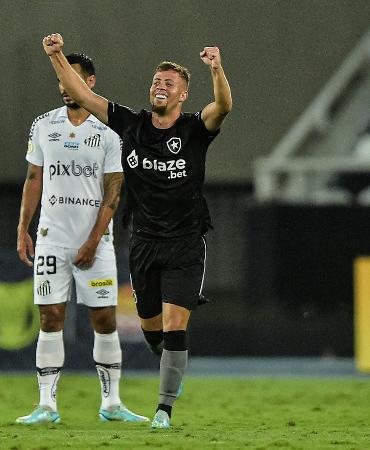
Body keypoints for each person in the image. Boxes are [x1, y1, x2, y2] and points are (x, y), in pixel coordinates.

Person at [41, 33, 232, 429]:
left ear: (183, 95)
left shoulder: (196, 129)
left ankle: (163, 410)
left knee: (177, 325)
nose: (160, 87)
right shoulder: (131, 123)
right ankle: (168, 362)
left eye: (169, 83)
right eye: (156, 81)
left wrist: (216, 68)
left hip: (185, 244)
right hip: (144, 240)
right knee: (151, 328)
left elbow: (224, 105)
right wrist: (56, 56)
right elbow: (82, 93)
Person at [16, 52, 148, 425]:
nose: (63, 86)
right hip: (51, 239)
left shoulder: (109, 132)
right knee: (50, 316)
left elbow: (114, 191)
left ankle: (111, 404)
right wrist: (23, 227)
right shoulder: (43, 125)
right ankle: (46, 406)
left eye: (70, 79)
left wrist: (92, 240)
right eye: (59, 79)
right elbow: (33, 179)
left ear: (89, 82)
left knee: (104, 318)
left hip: (96, 243)